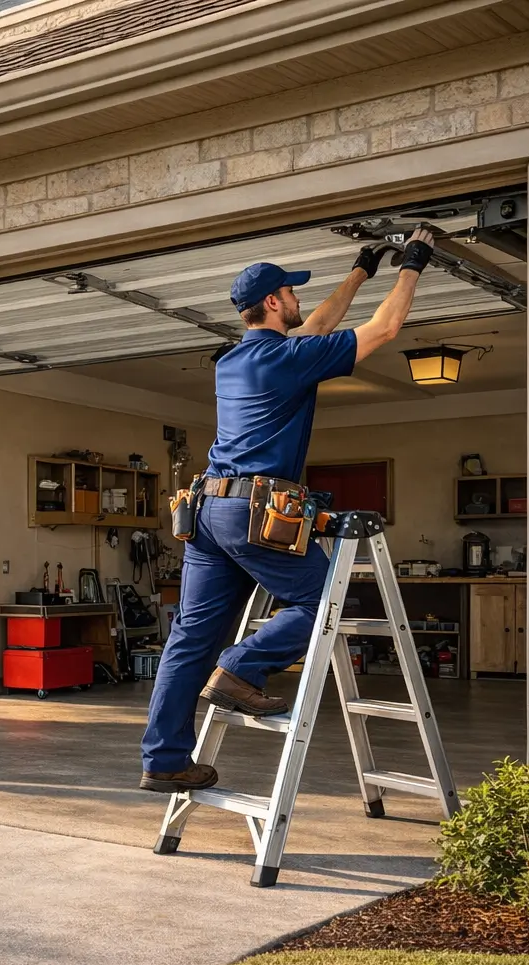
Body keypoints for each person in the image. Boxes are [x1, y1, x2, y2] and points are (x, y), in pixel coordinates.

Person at [139, 227, 438, 793]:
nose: (301, 302)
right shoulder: (286, 360)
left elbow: (317, 326)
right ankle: (242, 668)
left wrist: (361, 270)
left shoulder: (233, 361)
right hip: (251, 511)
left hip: (206, 511)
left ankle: (164, 759)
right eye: (293, 294)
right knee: (324, 597)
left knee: (188, 640)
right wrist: (413, 265)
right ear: (274, 302)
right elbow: (385, 328)